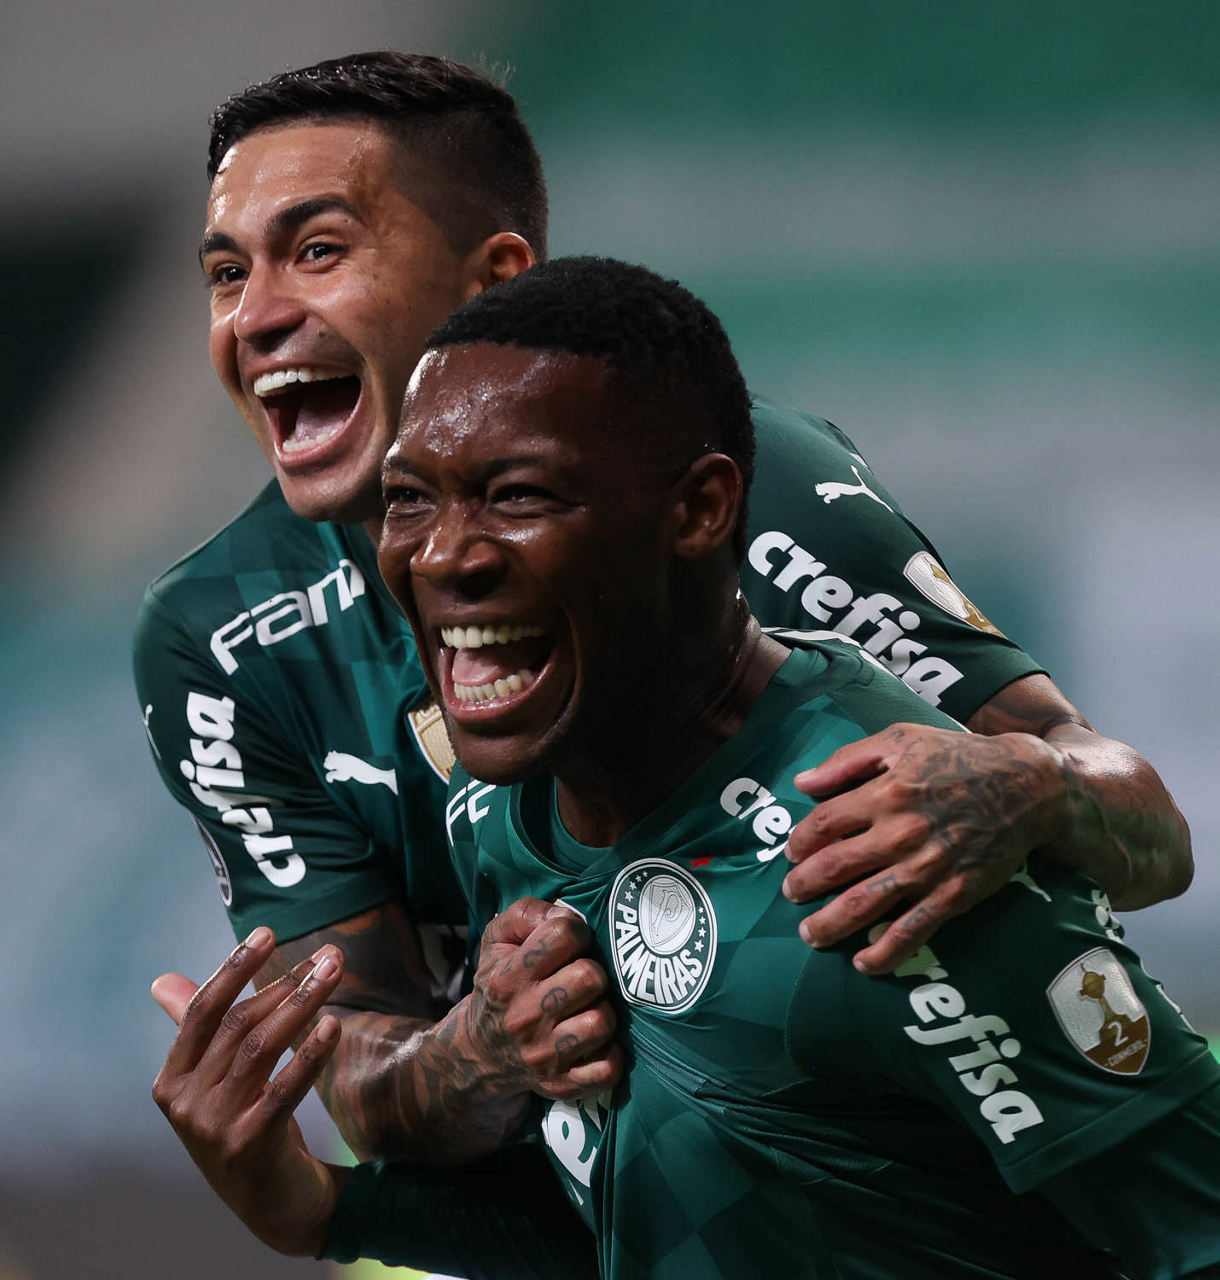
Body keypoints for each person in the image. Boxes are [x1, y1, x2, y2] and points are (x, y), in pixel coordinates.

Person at [138, 51, 1192, 1171]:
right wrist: (486, 1049)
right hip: (592, 1216)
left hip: (894, 1182)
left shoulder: (738, 488)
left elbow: (1146, 830)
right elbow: (360, 1078)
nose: (254, 316)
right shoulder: (218, 636)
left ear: (492, 280)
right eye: (224, 273)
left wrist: (1027, 787)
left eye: (316, 251)